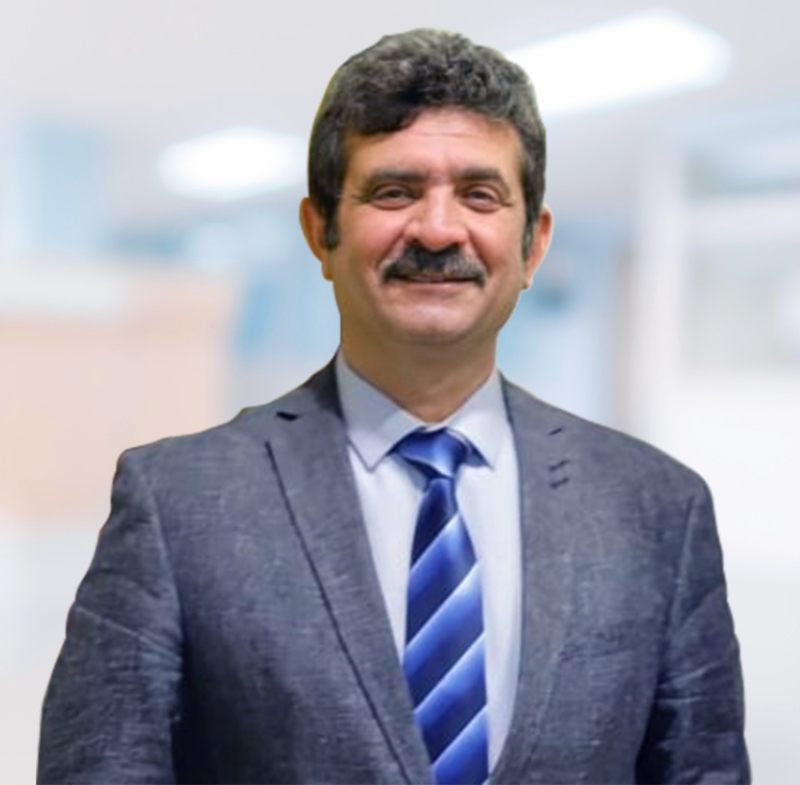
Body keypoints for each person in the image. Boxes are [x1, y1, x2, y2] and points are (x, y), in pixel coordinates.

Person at [38, 28, 749, 785]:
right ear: (321, 231)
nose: (437, 229)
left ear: (534, 244)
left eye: (480, 194)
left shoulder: (656, 509)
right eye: (394, 191)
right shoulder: (178, 503)